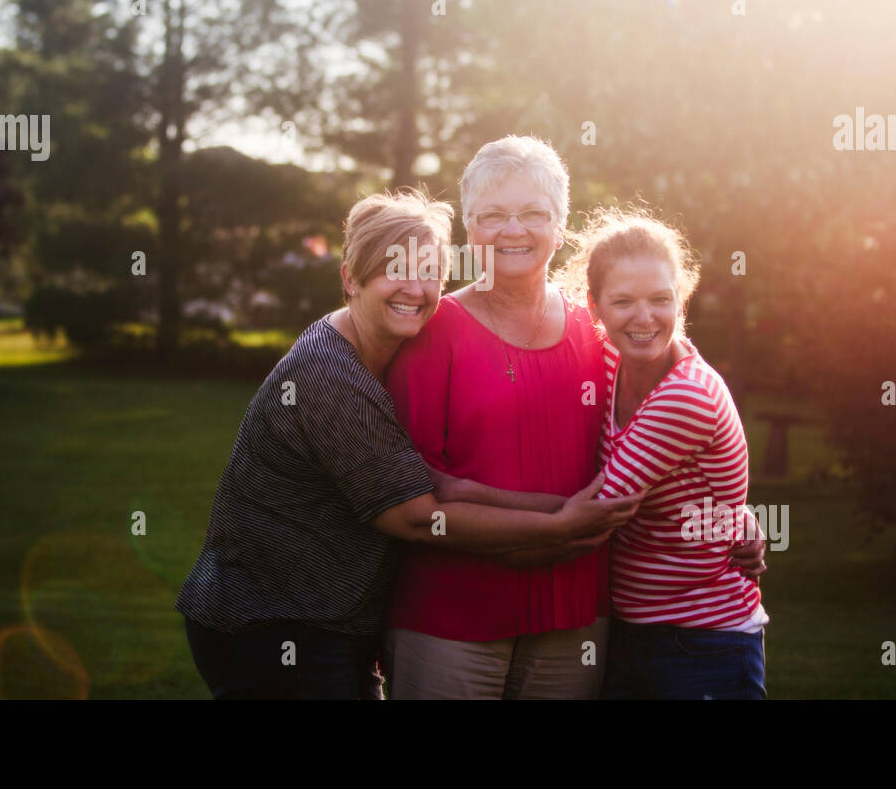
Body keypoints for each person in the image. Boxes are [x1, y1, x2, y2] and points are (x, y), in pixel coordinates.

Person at [174, 188, 640, 699]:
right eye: (396, 269)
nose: (416, 289)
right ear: (351, 278)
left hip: (327, 619)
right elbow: (417, 516)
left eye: (430, 274)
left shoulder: (382, 354)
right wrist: (563, 521)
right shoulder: (328, 375)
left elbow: (438, 487)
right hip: (274, 624)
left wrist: (554, 511)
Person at [382, 136, 765, 699]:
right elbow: (413, 494)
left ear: (561, 225)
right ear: (469, 226)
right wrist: (561, 519)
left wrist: (728, 515)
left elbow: (681, 404)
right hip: (452, 616)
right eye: (493, 215)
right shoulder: (432, 333)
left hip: (579, 618)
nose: (514, 230)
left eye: (534, 213)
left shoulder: (601, 331)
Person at [561, 205, 768, 699]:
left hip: (702, 643)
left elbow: (598, 512)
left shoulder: (686, 395)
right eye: (623, 301)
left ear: (682, 298)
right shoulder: (611, 362)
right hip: (633, 634)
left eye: (660, 299)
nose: (644, 317)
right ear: (594, 307)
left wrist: (456, 497)